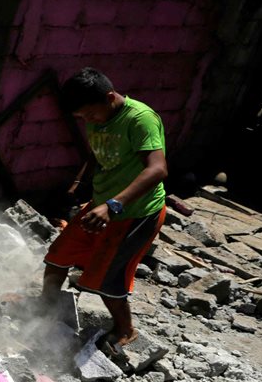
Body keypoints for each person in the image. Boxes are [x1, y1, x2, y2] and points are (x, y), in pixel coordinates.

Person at [41, 68, 168, 349]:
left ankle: (125, 330)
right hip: (101, 205)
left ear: (110, 97)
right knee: (58, 256)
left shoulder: (140, 119)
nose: (88, 121)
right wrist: (79, 181)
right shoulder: (98, 117)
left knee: (107, 278)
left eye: (90, 115)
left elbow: (158, 169)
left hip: (135, 213)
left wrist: (114, 204)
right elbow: (97, 151)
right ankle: (44, 309)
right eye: (82, 118)